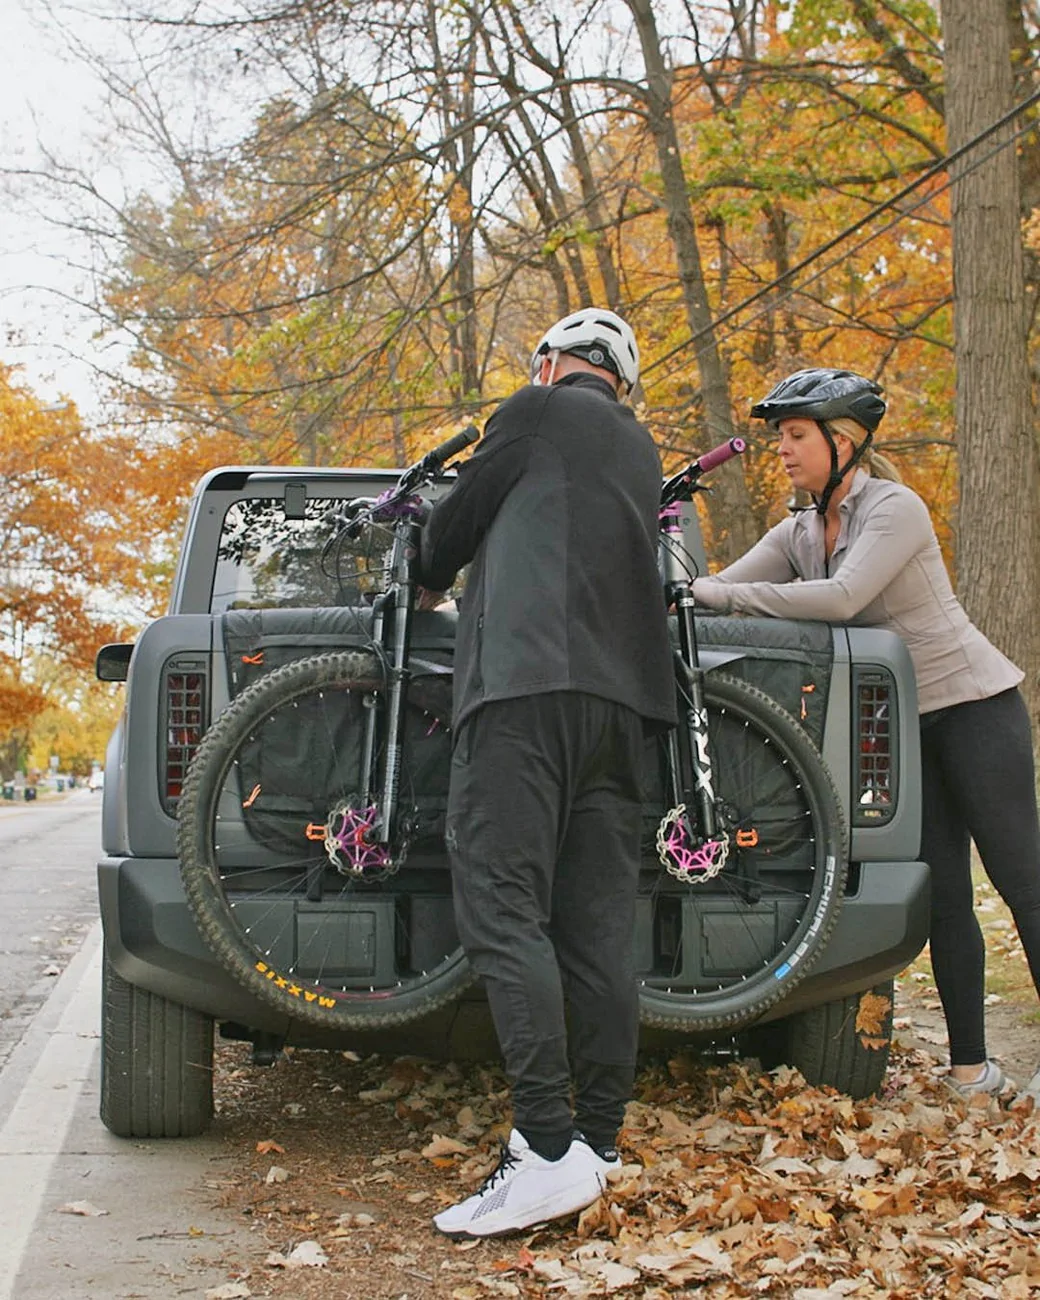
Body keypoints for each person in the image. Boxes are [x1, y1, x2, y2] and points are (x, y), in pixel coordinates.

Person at [691, 366, 1040, 1102]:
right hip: (902, 726)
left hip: (976, 707)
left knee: (1023, 885)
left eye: (795, 435)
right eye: (780, 436)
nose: (782, 450)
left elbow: (845, 600)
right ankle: (972, 1071)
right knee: (943, 893)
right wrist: (682, 594)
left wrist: (723, 592)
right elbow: (720, 588)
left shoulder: (895, 508)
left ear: (843, 440)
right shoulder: (801, 528)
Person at [417, 307, 676, 1238]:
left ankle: (545, 1148)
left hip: (525, 690)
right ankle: (599, 1146)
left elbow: (454, 529)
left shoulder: (530, 415)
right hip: (627, 706)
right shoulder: (638, 452)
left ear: (553, 364)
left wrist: (421, 567)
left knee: (503, 906)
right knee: (598, 927)